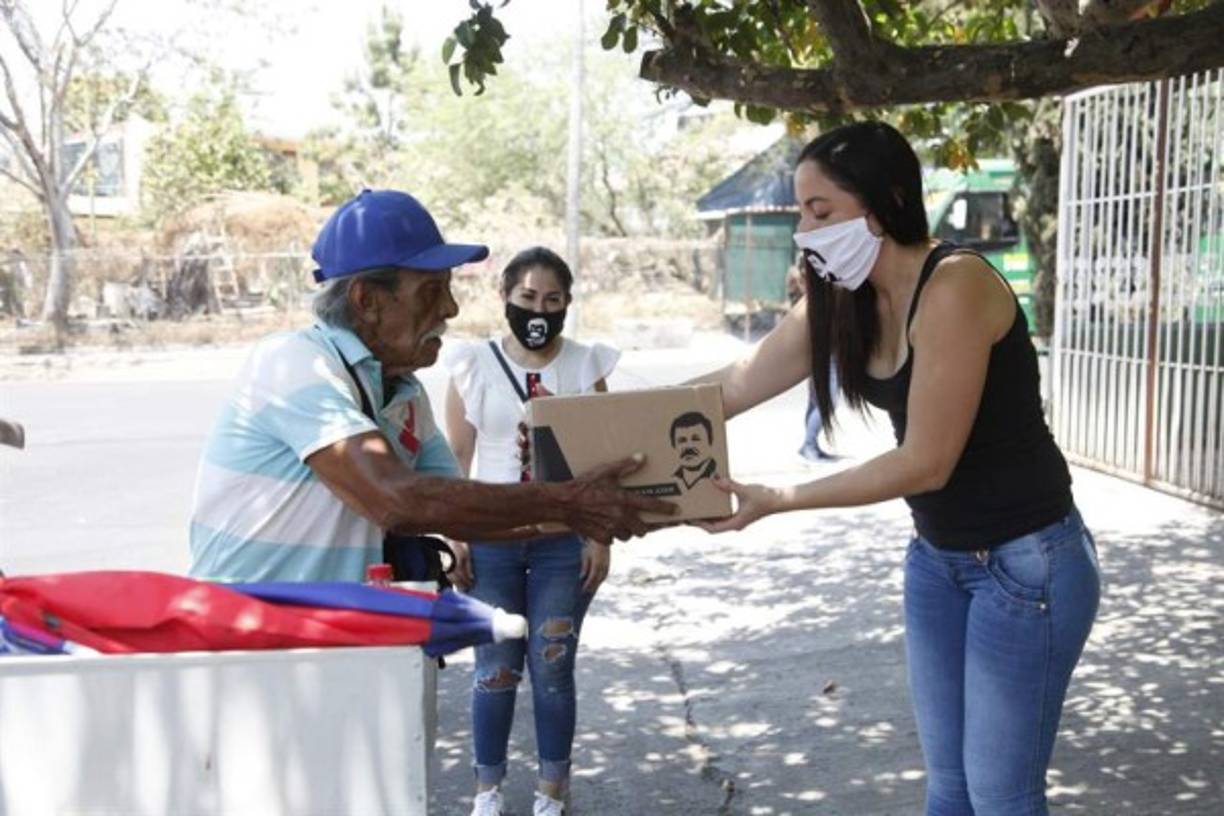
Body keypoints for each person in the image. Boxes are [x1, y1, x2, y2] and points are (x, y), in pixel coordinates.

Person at [691, 122, 1100, 816]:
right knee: (949, 788)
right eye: (801, 213)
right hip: (938, 563)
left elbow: (926, 463)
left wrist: (779, 497)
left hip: (1028, 566)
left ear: (882, 203)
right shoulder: (841, 297)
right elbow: (729, 389)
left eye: (821, 212)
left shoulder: (956, 286)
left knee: (1001, 794)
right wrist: (596, 421)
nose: (805, 231)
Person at [188, 190, 672, 585]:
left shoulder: (404, 395)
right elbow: (398, 500)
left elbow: (461, 505)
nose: (451, 309)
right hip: (249, 648)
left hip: (330, 650)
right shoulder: (295, 364)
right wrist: (571, 502)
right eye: (431, 291)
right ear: (368, 300)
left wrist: (637, 507)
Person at [442, 246, 617, 816]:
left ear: (567, 304)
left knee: (552, 664)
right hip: (489, 543)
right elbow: (455, 459)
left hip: (562, 545)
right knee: (495, 668)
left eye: (553, 300)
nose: (538, 310)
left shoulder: (585, 366)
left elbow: (602, 462)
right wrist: (454, 533)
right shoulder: (472, 364)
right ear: (505, 297)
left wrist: (600, 537)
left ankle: (551, 791)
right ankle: (487, 789)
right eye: (527, 298)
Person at [786, 261, 839, 461]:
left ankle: (811, 445)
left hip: (820, 355)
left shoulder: (803, 296)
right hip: (826, 356)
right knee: (828, 402)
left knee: (816, 402)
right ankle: (809, 445)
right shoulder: (814, 299)